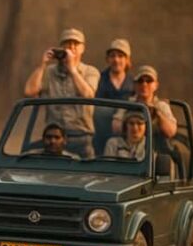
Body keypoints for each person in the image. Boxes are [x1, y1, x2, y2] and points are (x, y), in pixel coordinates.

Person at [23, 28, 100, 159]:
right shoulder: (49, 72)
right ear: (60, 48)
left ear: (82, 49)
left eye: (76, 44)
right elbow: (29, 92)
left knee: (87, 168)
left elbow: (88, 95)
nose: (72, 47)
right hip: (53, 137)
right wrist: (42, 65)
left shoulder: (90, 71)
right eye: (67, 44)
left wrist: (72, 69)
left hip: (81, 136)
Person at [93, 39, 134, 155]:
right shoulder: (99, 79)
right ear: (107, 59)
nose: (116, 60)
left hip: (125, 137)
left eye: (120, 56)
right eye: (113, 56)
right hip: (100, 135)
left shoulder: (133, 83)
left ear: (127, 60)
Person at [112, 65, 176, 138]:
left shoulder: (162, 106)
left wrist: (157, 114)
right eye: (140, 81)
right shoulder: (127, 103)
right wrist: (130, 119)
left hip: (155, 143)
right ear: (135, 85)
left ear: (156, 85)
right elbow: (116, 129)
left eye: (149, 81)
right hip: (131, 143)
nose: (144, 84)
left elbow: (171, 132)